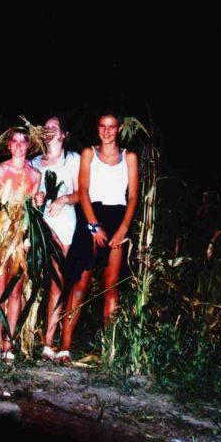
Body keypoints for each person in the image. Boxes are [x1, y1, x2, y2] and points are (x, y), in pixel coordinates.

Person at [57, 109, 139, 364]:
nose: (107, 131)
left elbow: (133, 197)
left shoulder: (129, 157)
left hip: (118, 219)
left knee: (111, 287)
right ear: (97, 128)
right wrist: (93, 226)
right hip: (92, 216)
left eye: (111, 127)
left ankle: (110, 350)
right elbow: (83, 190)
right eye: (102, 126)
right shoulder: (89, 153)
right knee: (80, 283)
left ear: (119, 129)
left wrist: (123, 229)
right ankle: (64, 347)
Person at [0, 128, 41, 362]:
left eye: (24, 142)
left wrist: (39, 202)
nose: (19, 146)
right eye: (15, 141)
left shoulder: (35, 175)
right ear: (9, 145)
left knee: (16, 290)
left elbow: (33, 212)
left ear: (29, 146)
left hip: (21, 239)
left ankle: (9, 342)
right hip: (1, 235)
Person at [30, 115, 81, 361]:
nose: (49, 130)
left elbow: (82, 193)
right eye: (46, 127)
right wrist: (36, 199)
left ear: (63, 135)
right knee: (31, 280)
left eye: (55, 127)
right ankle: (23, 335)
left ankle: (49, 343)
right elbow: (28, 193)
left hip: (64, 226)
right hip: (39, 227)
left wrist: (63, 199)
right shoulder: (33, 162)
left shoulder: (72, 159)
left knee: (58, 283)